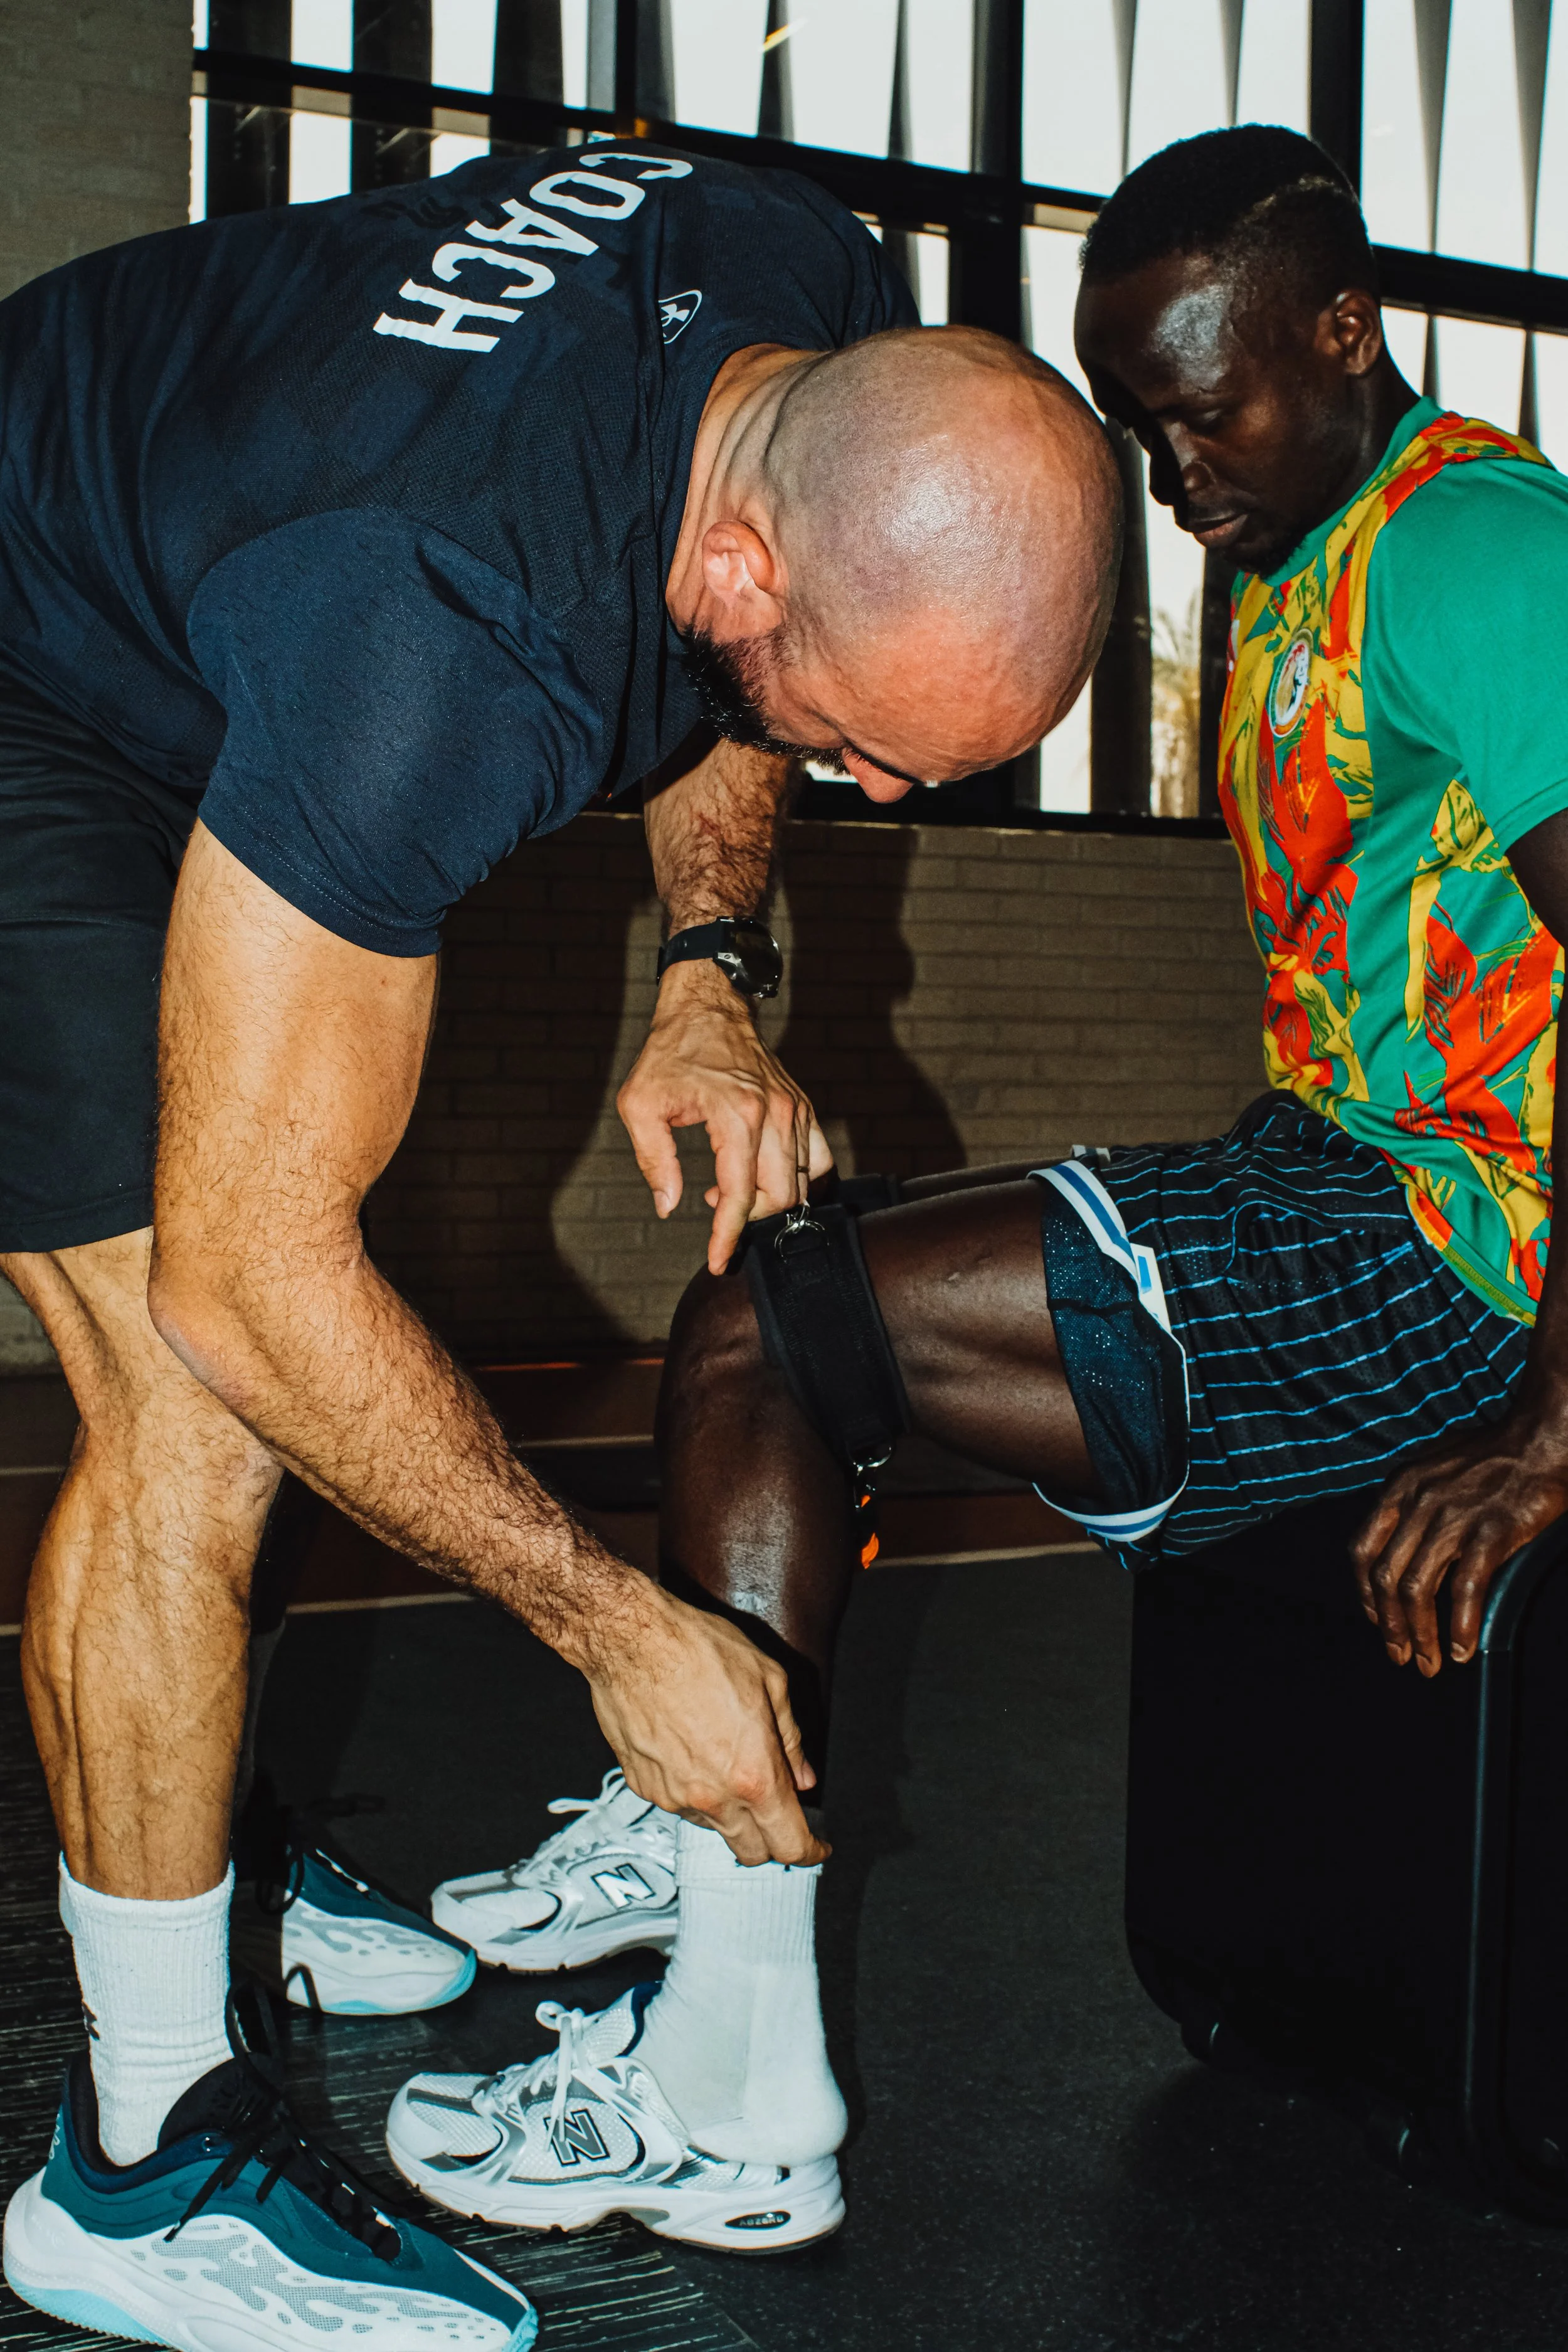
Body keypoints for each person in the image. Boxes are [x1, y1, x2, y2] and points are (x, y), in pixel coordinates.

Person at [395, 122, 1568, 2254]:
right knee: (781, 1299)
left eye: (1205, 411)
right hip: (1336, 1182)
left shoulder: (1482, 548)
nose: (1175, 472)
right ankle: (723, 1943)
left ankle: (731, 2002)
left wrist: (1557, 1417)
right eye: (1136, 426)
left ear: (1344, 328)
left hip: (1466, 1256)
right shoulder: (1295, 551)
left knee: (784, 1318)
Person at [0, 135, 1120, 2344]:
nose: (872, 798)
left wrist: (713, 960)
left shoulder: (790, 262)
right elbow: (249, 1285)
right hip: (27, 681)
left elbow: (739, 689)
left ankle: (191, 1835)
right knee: (203, 1387)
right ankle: (142, 2156)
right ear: (732, 555)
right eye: (868, 758)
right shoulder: (432, 624)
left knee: (313, 1278)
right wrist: (608, 1624)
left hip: (201, 590)